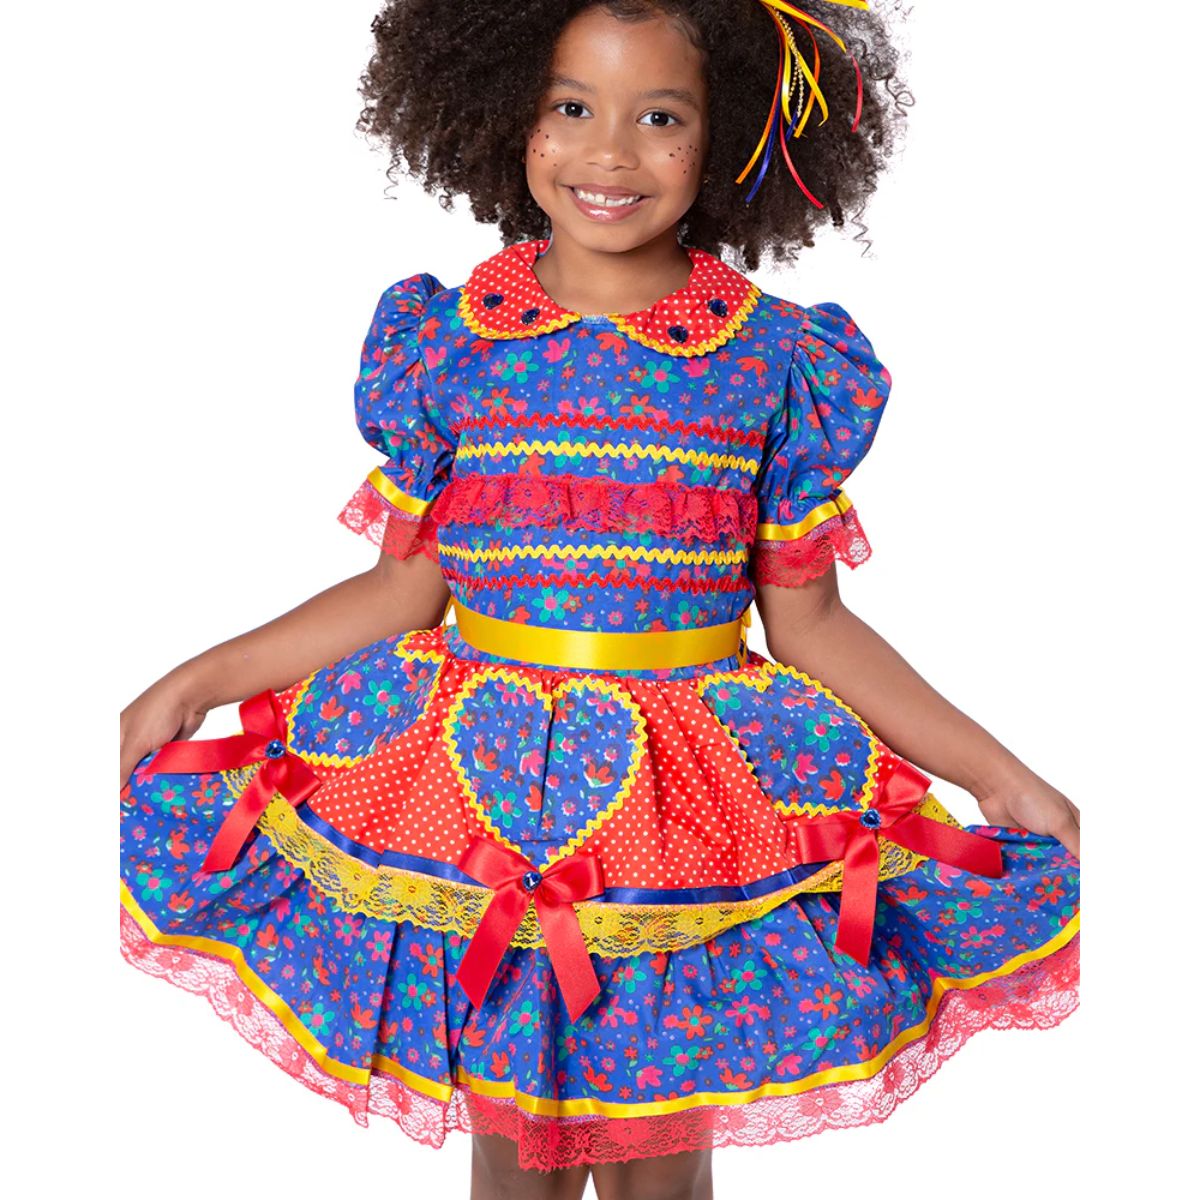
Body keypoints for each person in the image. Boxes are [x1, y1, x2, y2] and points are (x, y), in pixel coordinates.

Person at [118, 2, 1081, 1197]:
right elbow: (407, 587)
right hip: (475, 793)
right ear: (505, 113)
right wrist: (196, 682)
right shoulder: (450, 342)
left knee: (657, 1167)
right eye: (571, 107)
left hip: (688, 813)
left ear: (728, 133)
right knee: (512, 1161)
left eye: (660, 117)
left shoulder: (774, 359)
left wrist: (999, 777)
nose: (610, 152)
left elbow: (813, 624)